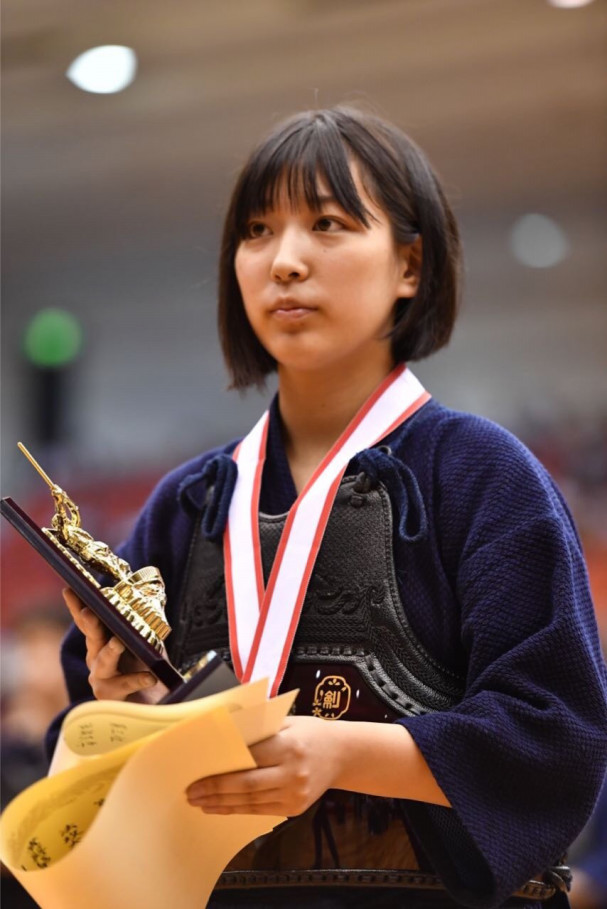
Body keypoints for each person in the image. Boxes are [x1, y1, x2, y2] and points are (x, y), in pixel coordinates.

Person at [48, 106, 607, 909]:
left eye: (328, 224)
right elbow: (76, 761)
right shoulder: (185, 505)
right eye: (256, 230)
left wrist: (341, 752)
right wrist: (122, 714)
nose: (283, 261)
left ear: (409, 265)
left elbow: (553, 735)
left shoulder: (482, 475)